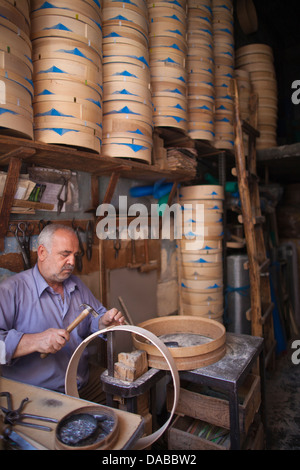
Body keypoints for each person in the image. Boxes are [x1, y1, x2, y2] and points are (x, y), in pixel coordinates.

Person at [0, 224, 125, 399]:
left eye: (75, 255)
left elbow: (95, 317)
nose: (72, 262)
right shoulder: (10, 291)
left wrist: (103, 322)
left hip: (82, 382)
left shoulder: (76, 285)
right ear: (42, 253)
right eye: (65, 254)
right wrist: (35, 341)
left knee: (126, 396)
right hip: (39, 395)